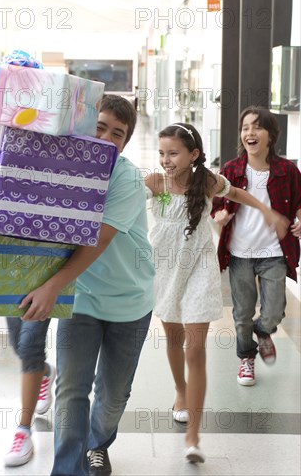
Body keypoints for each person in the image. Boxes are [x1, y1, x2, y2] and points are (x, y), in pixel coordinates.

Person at [19, 94, 155, 476]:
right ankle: (67, 470)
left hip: (130, 302)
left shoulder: (127, 178)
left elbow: (99, 239)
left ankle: (98, 442)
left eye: (118, 134)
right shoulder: (66, 171)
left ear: (125, 143)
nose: (107, 138)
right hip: (82, 301)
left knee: (112, 397)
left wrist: (51, 287)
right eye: (100, 127)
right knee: (71, 391)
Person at [145, 122, 289, 464]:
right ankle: (180, 391)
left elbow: (236, 193)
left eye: (173, 153)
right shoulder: (155, 183)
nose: (166, 160)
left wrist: (267, 211)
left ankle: (193, 436)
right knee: (173, 340)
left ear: (193, 155)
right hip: (165, 272)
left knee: (196, 351)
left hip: (199, 272)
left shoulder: (206, 181)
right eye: (162, 153)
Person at [211, 106, 301, 386]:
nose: (250, 132)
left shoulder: (287, 170)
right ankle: (247, 360)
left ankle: (263, 332)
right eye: (245, 127)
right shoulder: (231, 169)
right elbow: (214, 209)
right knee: (242, 313)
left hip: (274, 251)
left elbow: (299, 203)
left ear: (270, 136)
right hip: (239, 253)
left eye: (257, 127)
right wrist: (220, 218)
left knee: (274, 309)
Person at [3, 318, 56, 467]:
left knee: (29, 347)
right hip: (12, 293)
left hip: (43, 293)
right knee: (18, 344)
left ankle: (23, 430)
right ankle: (44, 371)